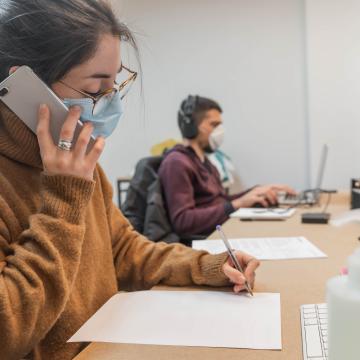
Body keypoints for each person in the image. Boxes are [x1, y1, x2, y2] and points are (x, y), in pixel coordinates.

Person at [0, 1, 260, 359]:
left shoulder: (79, 162)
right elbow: (7, 331)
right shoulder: (65, 176)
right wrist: (63, 199)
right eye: (95, 90)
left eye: (115, 85)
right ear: (27, 86)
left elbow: (124, 251)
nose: (110, 104)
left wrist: (208, 267)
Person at [158, 95, 296, 237]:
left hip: (220, 230)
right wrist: (237, 204)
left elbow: (221, 201)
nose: (219, 131)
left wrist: (257, 191)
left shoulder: (204, 161)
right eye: (214, 125)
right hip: (206, 241)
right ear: (191, 126)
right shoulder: (176, 163)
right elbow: (183, 222)